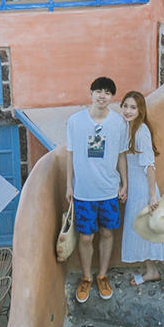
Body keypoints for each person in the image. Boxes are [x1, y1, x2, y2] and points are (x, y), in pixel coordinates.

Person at [66, 76, 128, 303]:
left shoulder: (119, 123)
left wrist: (125, 183)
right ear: (91, 93)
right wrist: (68, 185)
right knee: (85, 237)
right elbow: (70, 155)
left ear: (112, 98)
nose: (103, 96)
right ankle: (86, 277)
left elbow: (121, 155)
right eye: (99, 91)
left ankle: (102, 276)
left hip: (109, 190)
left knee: (107, 233)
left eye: (108, 93)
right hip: (83, 191)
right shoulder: (75, 121)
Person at [120, 90, 164, 291]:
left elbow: (149, 165)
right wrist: (124, 185)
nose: (128, 110)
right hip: (133, 186)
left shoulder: (141, 131)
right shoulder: (126, 128)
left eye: (133, 107)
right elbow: (122, 158)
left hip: (143, 187)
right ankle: (151, 271)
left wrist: (151, 195)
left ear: (140, 110)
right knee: (140, 228)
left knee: (149, 228)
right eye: (125, 106)